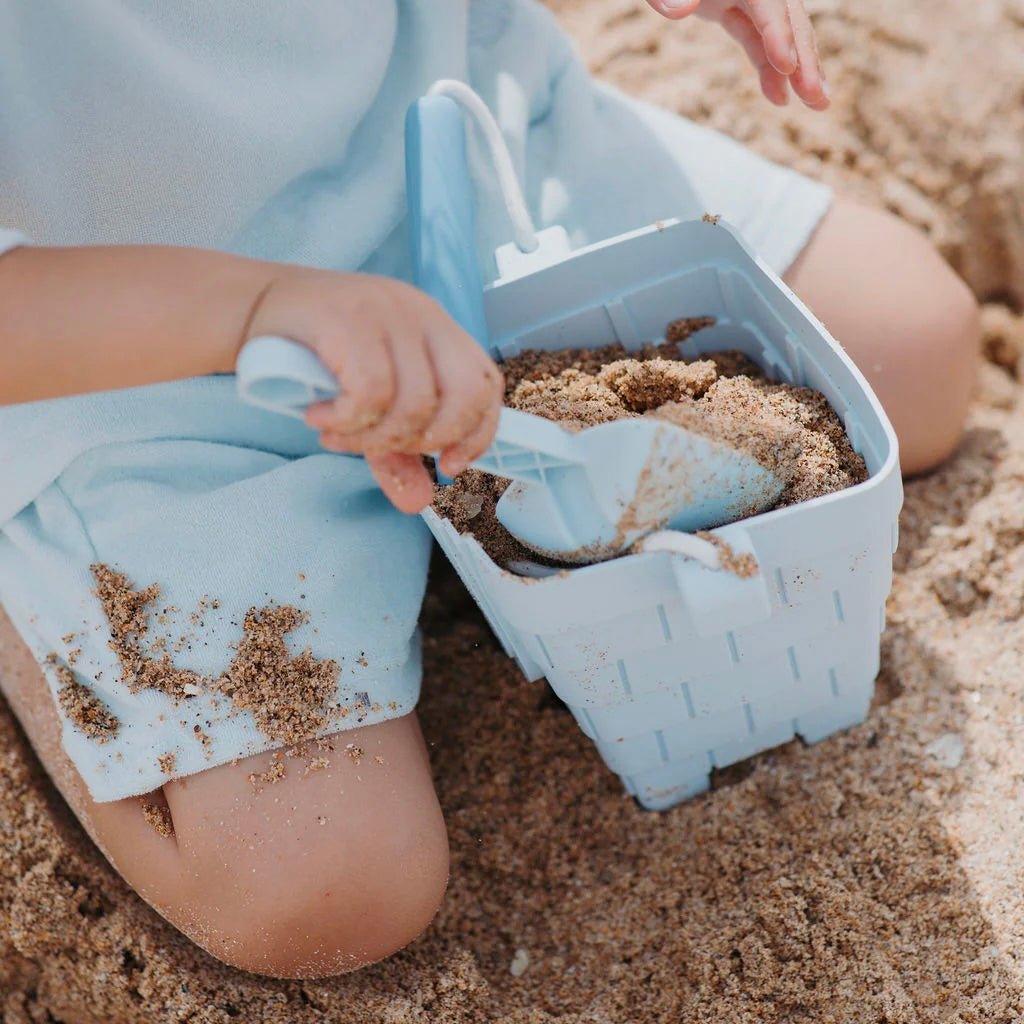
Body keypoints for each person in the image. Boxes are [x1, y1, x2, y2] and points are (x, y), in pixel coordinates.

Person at [0, 0, 978, 978]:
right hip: (133, 349)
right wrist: (256, 309)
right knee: (318, 883)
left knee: (912, 352)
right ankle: (31, 612)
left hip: (440, 131)